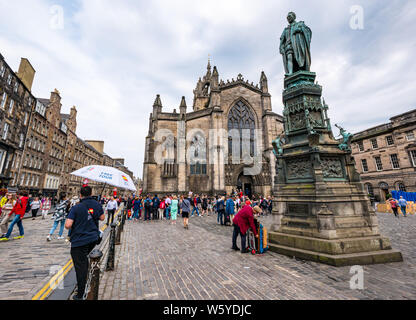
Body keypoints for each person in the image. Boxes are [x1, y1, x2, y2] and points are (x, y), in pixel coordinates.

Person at [65, 186, 105, 300]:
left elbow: (68, 225)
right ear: (91, 193)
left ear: (80, 195)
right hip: (93, 239)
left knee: (80, 267)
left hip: (79, 240)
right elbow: (102, 218)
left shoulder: (76, 207)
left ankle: (81, 293)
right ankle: (86, 278)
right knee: (84, 261)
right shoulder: (96, 204)